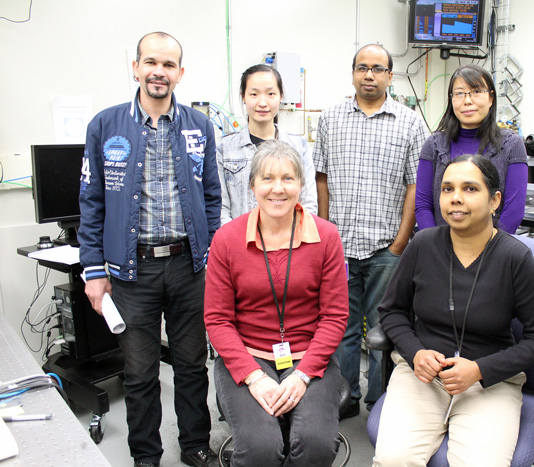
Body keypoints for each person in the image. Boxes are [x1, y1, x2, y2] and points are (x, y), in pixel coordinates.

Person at [79, 32, 220, 467]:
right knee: (140, 372)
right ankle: (146, 455)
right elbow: (91, 201)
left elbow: (212, 197)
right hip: (130, 272)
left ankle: (196, 445)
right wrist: (93, 270)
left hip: (189, 267)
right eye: (151, 62)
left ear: (180, 73)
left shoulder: (199, 126)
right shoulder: (105, 125)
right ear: (136, 68)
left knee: (192, 365)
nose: (159, 71)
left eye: (169, 64)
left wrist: (212, 253)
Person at [374, 155, 534, 466]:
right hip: (423, 375)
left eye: (470, 189)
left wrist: (479, 370)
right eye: (447, 189)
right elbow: (392, 312)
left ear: (494, 200)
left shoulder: (516, 258)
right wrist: (416, 353)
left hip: (490, 381)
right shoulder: (422, 245)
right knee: (395, 458)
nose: (456, 198)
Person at [205, 139, 348, 467]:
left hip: (309, 357)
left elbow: (335, 316)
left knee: (315, 445)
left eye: (288, 178)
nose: (277, 188)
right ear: (252, 184)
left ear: (301, 184)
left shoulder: (326, 238)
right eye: (267, 178)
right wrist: (253, 376)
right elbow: (217, 320)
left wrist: (303, 375)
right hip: (247, 358)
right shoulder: (227, 239)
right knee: (260, 449)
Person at [313, 44, 429, 416]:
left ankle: (379, 401)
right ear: (352, 73)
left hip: (385, 249)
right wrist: (326, 232)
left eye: (378, 69)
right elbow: (321, 177)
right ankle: (344, 399)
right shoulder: (330, 119)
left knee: (385, 329)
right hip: (339, 247)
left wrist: (400, 242)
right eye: (362, 68)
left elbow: (416, 185)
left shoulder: (410, 122)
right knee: (341, 329)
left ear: (389, 76)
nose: (369, 75)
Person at [415, 64, 527, 234]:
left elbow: (513, 211)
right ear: (451, 100)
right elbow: (423, 206)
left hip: (493, 251)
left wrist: (490, 250)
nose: (467, 100)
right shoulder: (434, 145)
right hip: (440, 251)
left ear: (491, 98)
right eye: (459, 93)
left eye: (476, 91)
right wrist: (435, 247)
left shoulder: (511, 145)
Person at [217, 64, 317, 224]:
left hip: (289, 244)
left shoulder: (299, 147)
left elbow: (308, 204)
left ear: (281, 96)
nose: (262, 103)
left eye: (270, 94)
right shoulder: (225, 148)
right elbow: (221, 208)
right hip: (241, 244)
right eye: (254, 94)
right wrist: (235, 242)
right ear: (243, 96)